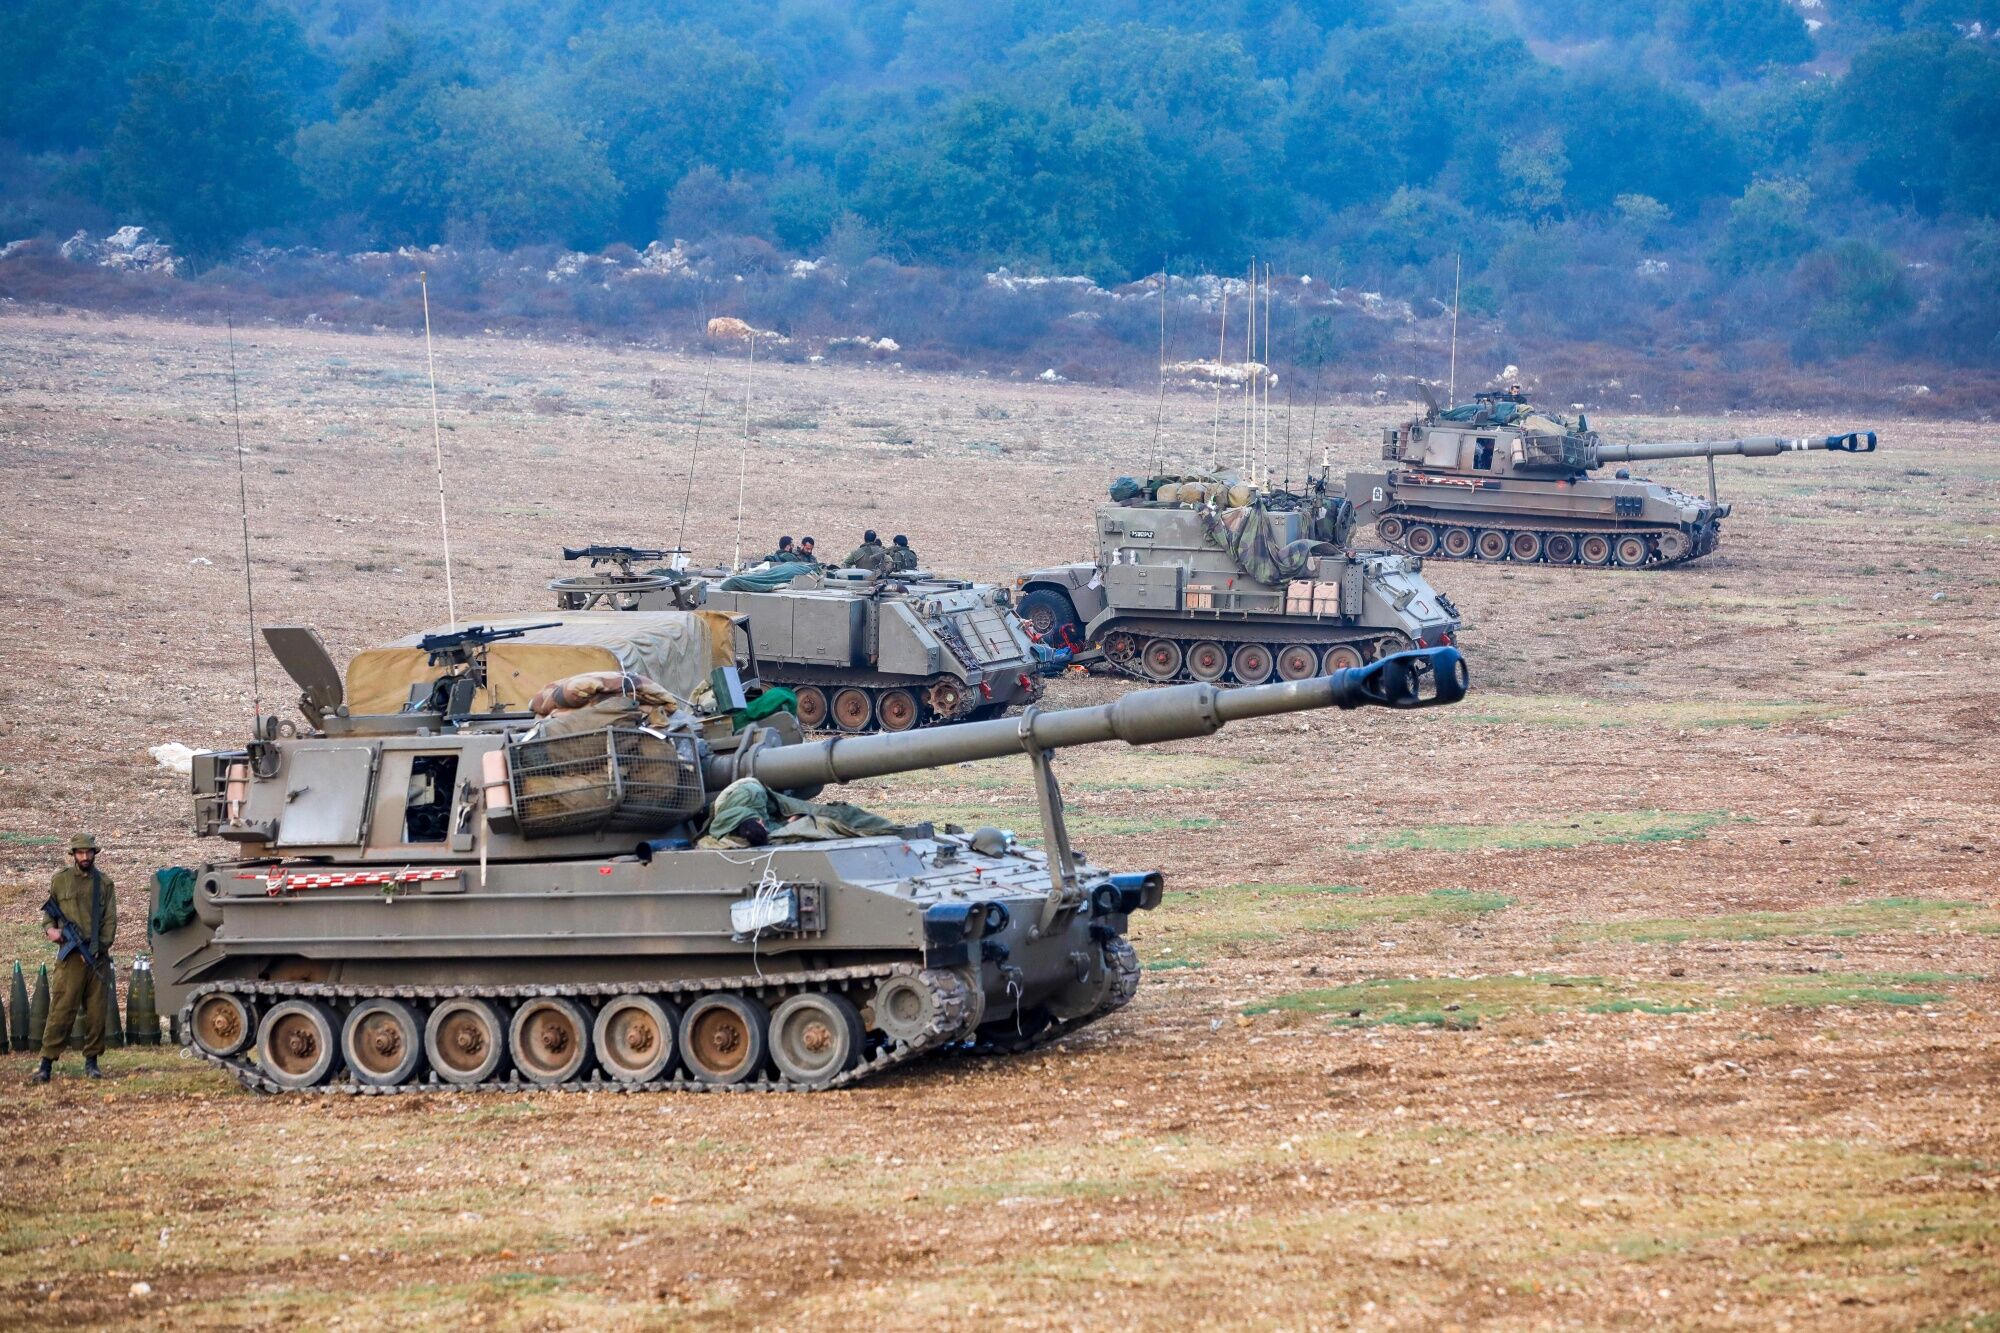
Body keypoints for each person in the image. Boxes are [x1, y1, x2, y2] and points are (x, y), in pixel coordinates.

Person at [37, 834, 117, 1082]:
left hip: (96, 957)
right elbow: (49, 916)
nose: (85, 857)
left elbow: (110, 921)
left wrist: (97, 947)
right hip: (70, 957)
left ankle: (92, 1062)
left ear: (94, 854)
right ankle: (46, 1063)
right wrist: (51, 930)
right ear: (73, 855)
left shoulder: (104, 883)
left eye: (88, 852)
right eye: (80, 853)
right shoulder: (60, 880)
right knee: (61, 1010)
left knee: (96, 1014)